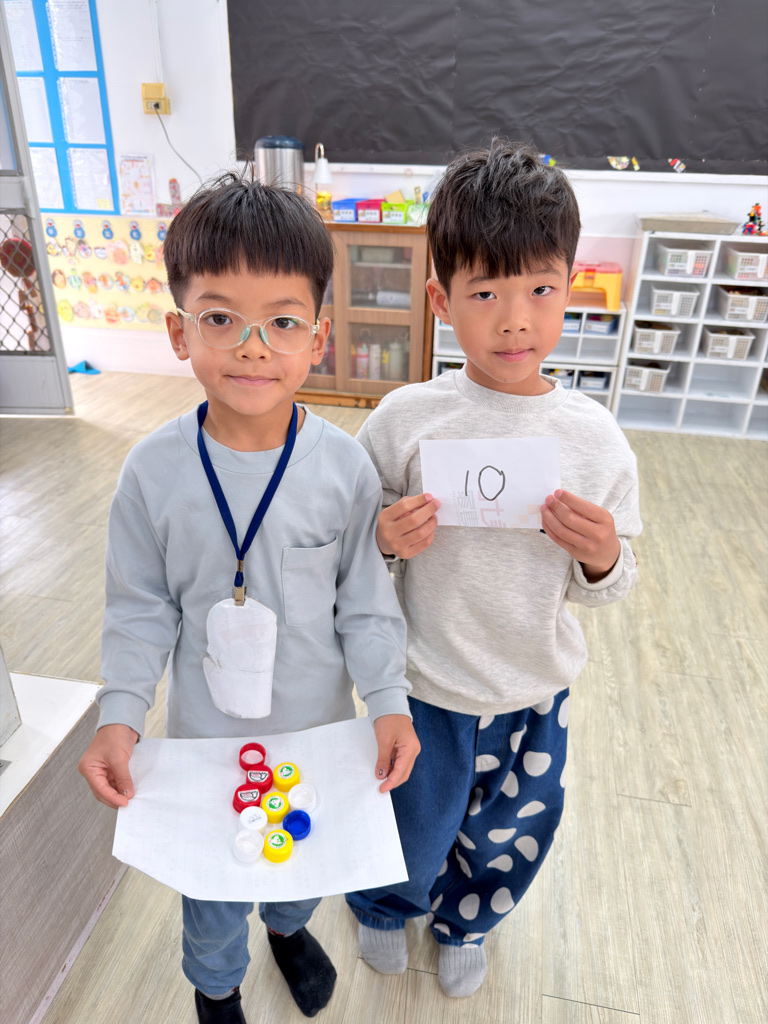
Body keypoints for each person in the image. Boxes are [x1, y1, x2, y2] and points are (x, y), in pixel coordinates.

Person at [78, 172, 420, 1023]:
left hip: (316, 737)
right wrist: (120, 715)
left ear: (319, 337)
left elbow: (365, 603)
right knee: (212, 892)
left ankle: (290, 930)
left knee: (300, 868)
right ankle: (216, 987)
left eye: (283, 322)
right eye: (221, 318)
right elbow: (139, 608)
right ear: (179, 331)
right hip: (205, 743)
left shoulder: (344, 470)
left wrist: (388, 701)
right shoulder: (151, 473)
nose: (253, 347)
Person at [346, 141, 642, 998]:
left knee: (511, 835)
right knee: (410, 819)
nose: (515, 321)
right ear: (441, 301)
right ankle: (383, 905)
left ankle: (467, 922)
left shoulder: (594, 439)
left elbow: (617, 579)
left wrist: (601, 556)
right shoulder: (405, 418)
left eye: (540, 290)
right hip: (424, 685)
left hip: (533, 692)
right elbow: (348, 547)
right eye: (485, 294)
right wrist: (383, 539)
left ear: (570, 287)